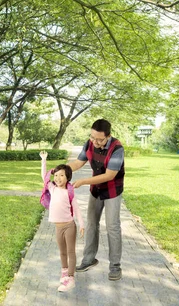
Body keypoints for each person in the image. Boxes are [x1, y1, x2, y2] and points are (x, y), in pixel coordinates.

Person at [68, 119, 125, 281]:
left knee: (113, 226)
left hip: (112, 190)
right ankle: (89, 259)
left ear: (108, 136)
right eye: (92, 137)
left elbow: (109, 175)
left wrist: (83, 181)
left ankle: (115, 266)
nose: (95, 142)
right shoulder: (89, 143)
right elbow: (79, 163)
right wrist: (61, 170)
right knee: (91, 223)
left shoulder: (117, 149)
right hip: (96, 189)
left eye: (99, 139)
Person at [40, 151, 85, 292]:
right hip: (58, 227)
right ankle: (64, 273)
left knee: (71, 252)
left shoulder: (69, 192)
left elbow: (76, 209)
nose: (58, 178)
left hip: (69, 226)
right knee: (62, 252)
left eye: (61, 175)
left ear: (67, 178)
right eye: (56, 175)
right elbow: (44, 177)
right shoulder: (52, 189)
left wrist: (82, 224)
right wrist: (44, 161)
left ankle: (71, 278)